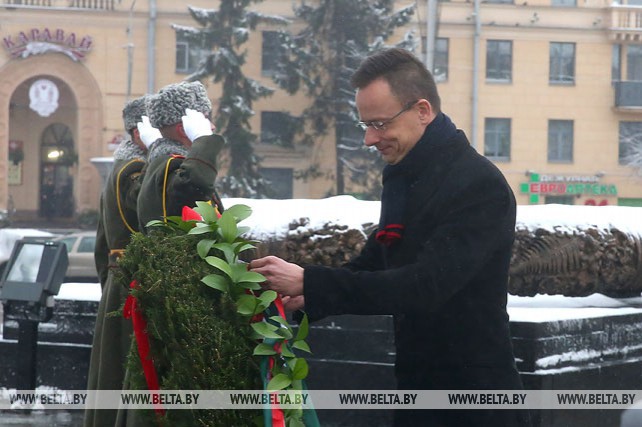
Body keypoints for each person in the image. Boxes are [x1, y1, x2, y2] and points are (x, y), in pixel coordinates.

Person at [249, 48, 532, 427]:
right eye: (365, 124)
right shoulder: (404, 175)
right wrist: (303, 298)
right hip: (420, 390)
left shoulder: (478, 184)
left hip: (475, 399)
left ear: (422, 110)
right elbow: (377, 260)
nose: (369, 139)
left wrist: (312, 281)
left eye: (380, 124)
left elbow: (426, 284)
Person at [84, 95, 159, 427]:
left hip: (118, 283)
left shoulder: (119, 168)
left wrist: (109, 289)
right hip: (134, 284)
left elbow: (101, 246)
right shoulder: (137, 170)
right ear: (138, 132)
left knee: (112, 375)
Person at [136, 81, 224, 230]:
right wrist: (202, 140)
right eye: (204, 119)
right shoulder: (172, 165)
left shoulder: (164, 162)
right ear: (184, 129)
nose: (212, 126)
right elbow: (195, 189)